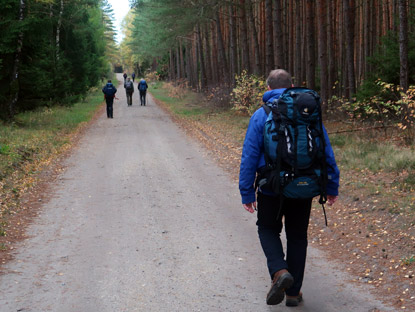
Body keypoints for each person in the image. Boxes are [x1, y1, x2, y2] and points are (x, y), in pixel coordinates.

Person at [239, 69, 340, 307]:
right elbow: (325, 151)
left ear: (267, 88)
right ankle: (293, 293)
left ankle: (279, 271)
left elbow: (249, 156)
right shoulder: (308, 112)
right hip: (302, 186)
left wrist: (246, 191)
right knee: (297, 236)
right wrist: (331, 186)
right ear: (292, 85)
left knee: (267, 229)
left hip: (270, 187)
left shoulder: (261, 114)